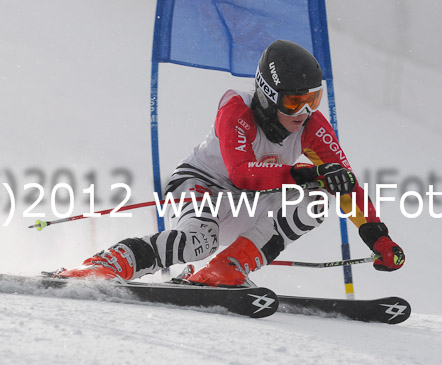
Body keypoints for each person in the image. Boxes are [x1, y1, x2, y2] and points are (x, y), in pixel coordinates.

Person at [56, 40, 405, 286]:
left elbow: (347, 186)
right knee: (198, 243)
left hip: (253, 199)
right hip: (202, 187)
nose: (305, 112)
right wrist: (308, 173)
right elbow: (242, 174)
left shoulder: (313, 127)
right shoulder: (236, 109)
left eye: (313, 99)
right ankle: (113, 263)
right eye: (295, 101)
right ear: (269, 95)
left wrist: (378, 237)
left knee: (316, 201)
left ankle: (228, 267)